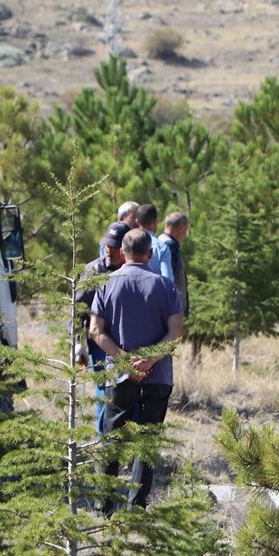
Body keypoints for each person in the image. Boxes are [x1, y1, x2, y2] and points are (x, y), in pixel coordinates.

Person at [90, 228, 184, 512]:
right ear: (150, 254)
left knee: (113, 439)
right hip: (158, 378)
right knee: (148, 441)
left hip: (120, 377)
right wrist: (150, 360)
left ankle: (104, 507)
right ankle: (137, 507)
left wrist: (123, 360)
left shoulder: (107, 284)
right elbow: (176, 332)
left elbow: (96, 330)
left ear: (122, 253)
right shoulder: (166, 287)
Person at [73, 221, 129, 433]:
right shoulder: (93, 271)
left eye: (114, 246)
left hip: (127, 343)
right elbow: (76, 311)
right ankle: (104, 446)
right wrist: (78, 346)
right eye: (107, 244)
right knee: (104, 395)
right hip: (99, 344)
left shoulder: (130, 270)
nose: (109, 249)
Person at [158, 211, 190, 318]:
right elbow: (170, 278)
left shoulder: (158, 242)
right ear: (180, 227)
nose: (185, 235)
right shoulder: (170, 247)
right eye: (185, 231)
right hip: (171, 309)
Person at [136, 203, 172, 282]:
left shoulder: (127, 243)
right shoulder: (161, 247)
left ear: (137, 221)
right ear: (155, 221)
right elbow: (168, 279)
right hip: (154, 292)